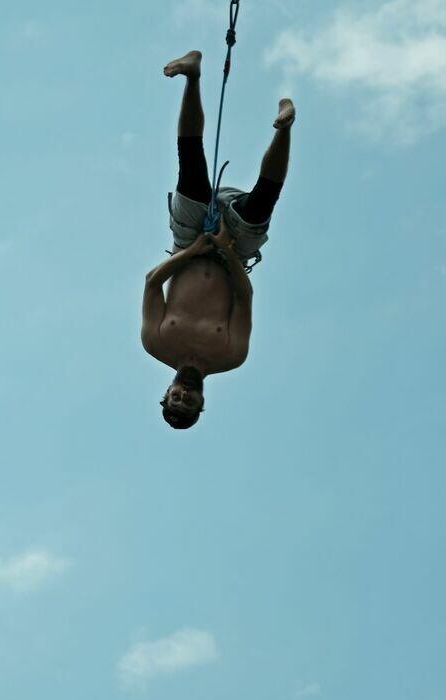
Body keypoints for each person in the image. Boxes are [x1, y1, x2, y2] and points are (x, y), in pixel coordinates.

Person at [141, 49, 295, 429]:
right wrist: (225, 250)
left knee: (191, 169)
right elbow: (245, 296)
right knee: (261, 204)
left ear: (167, 391)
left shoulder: (156, 343)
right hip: (232, 253)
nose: (184, 395)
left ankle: (192, 77)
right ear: (201, 402)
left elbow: (152, 282)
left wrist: (193, 249)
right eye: (189, 403)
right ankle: (284, 127)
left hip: (189, 242)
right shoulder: (231, 355)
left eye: (175, 398)